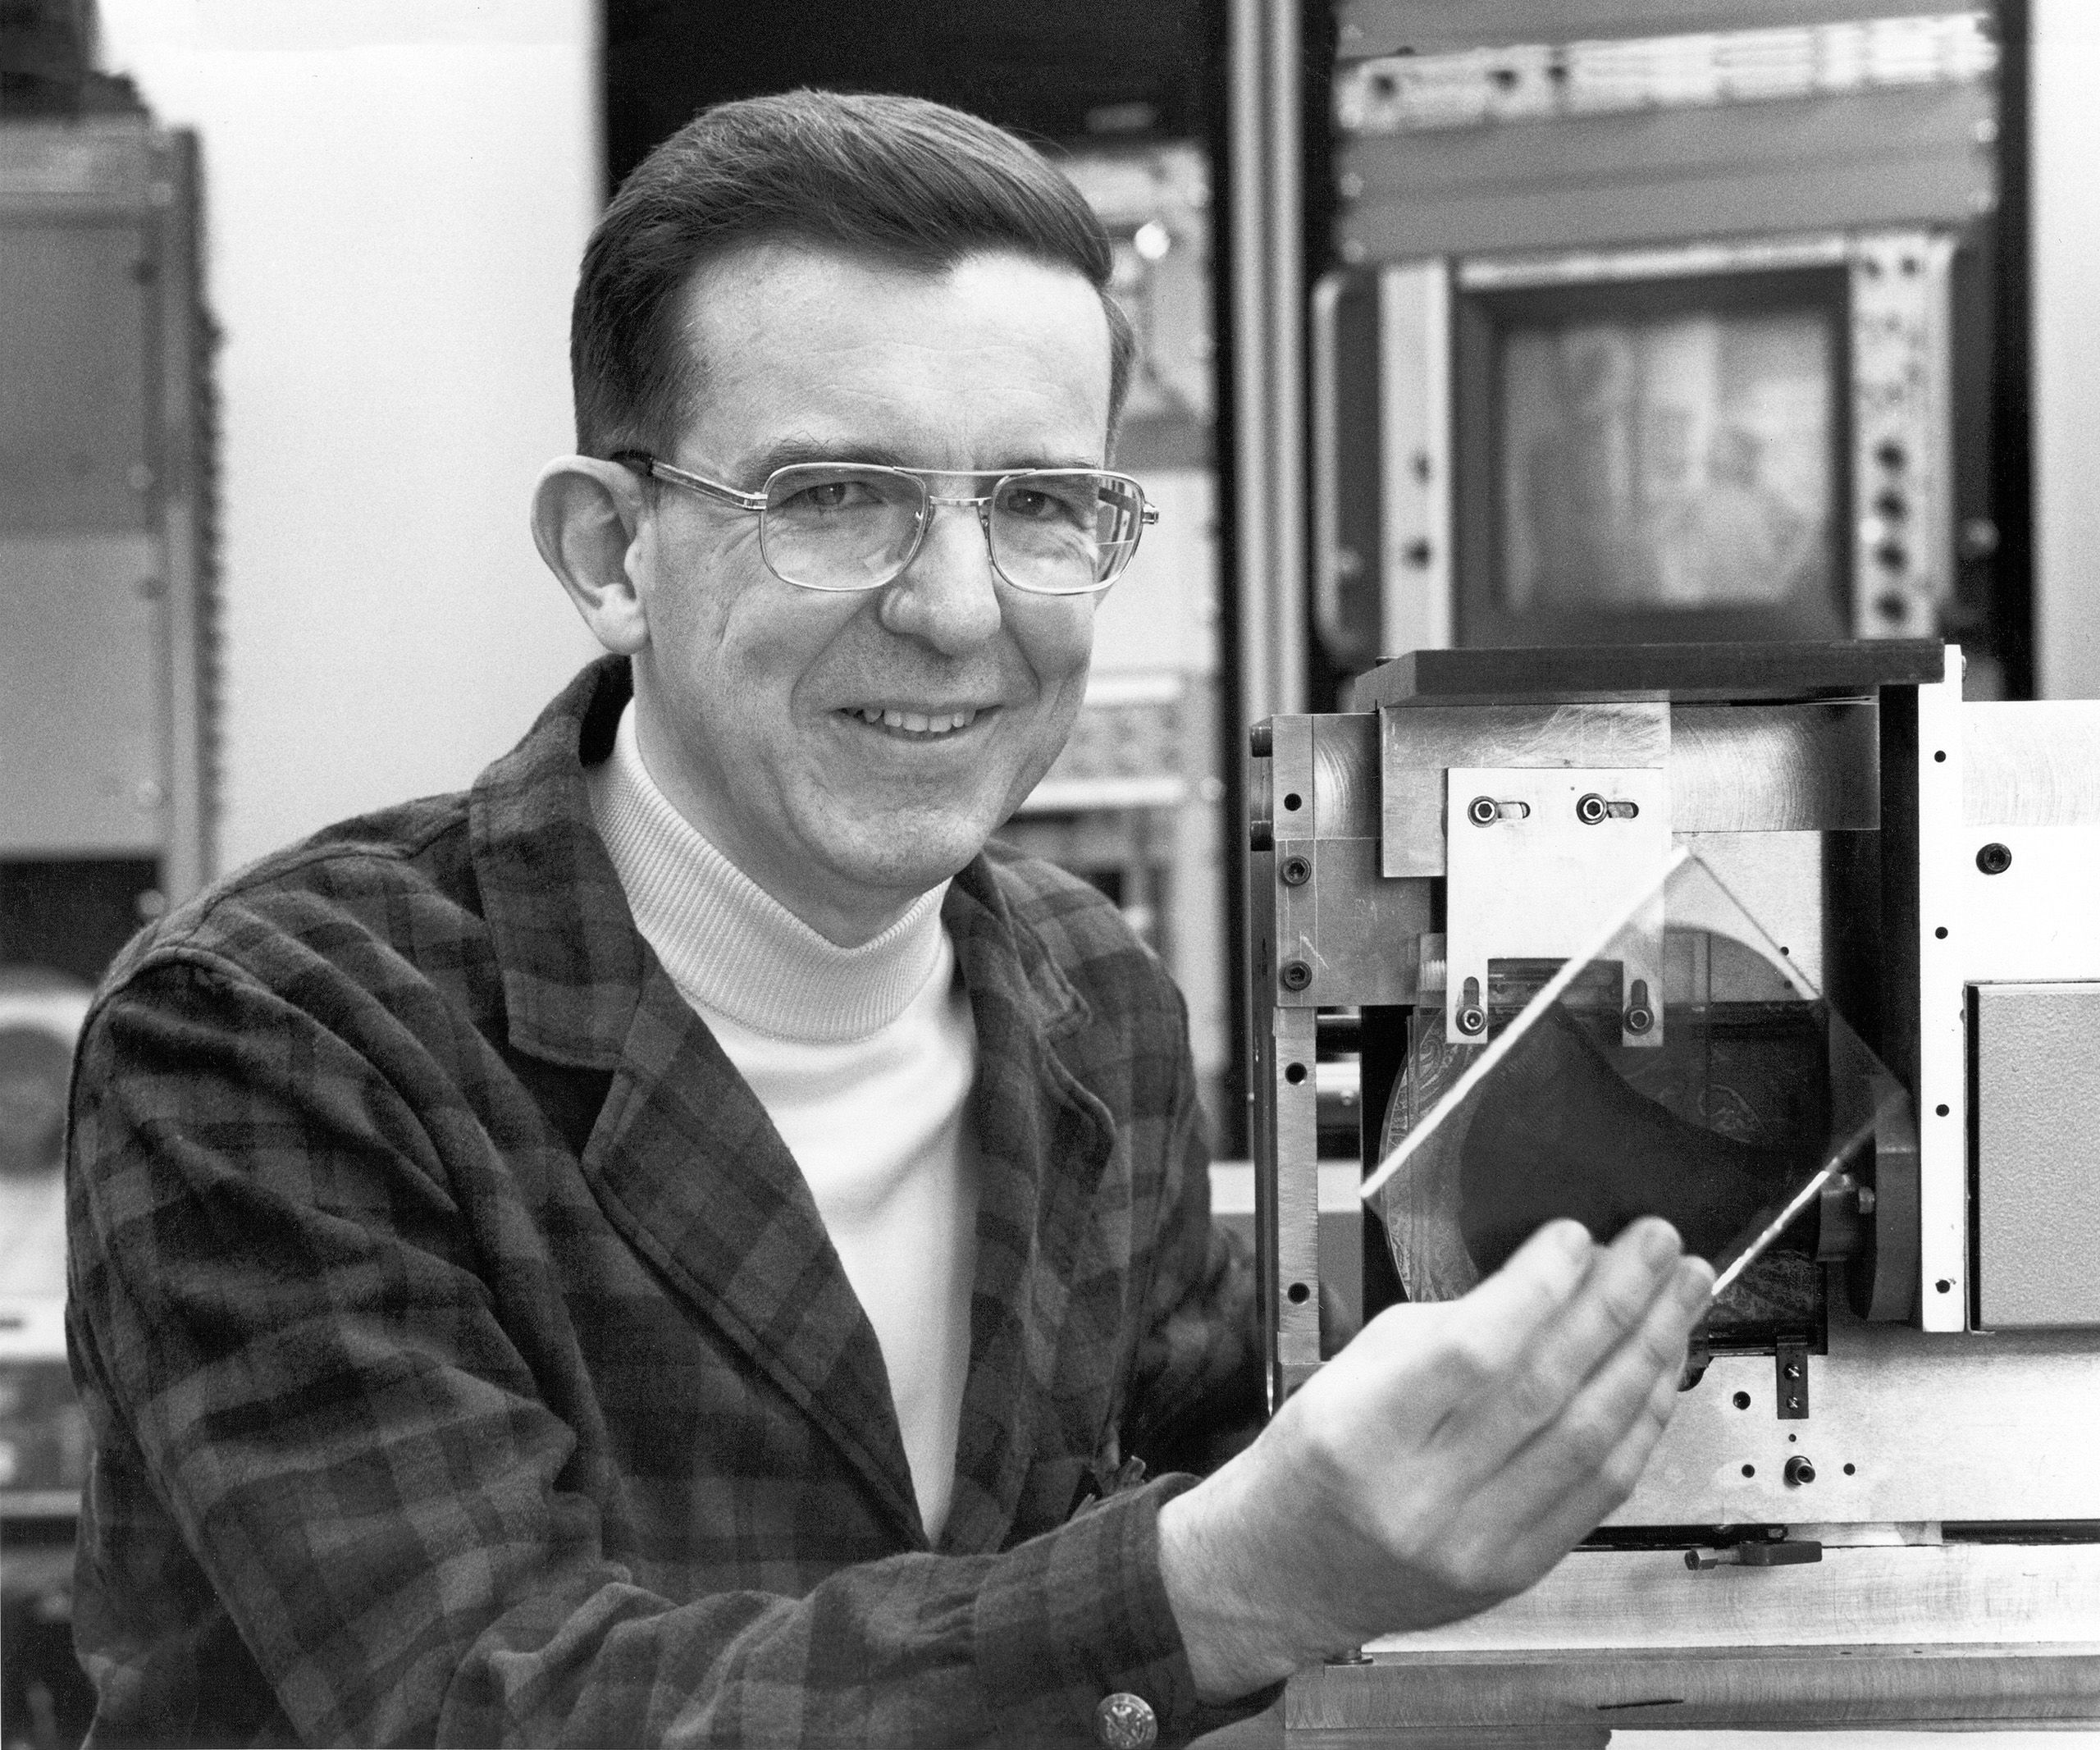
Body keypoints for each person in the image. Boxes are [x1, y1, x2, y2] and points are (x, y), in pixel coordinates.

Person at [65, 90, 1711, 1748]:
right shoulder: (281, 1032)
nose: (955, 609)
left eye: (1040, 504)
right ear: (610, 552)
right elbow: (499, 1704)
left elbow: (1226, 1437)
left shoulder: (1087, 996)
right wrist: (1211, 1583)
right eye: (835, 495)